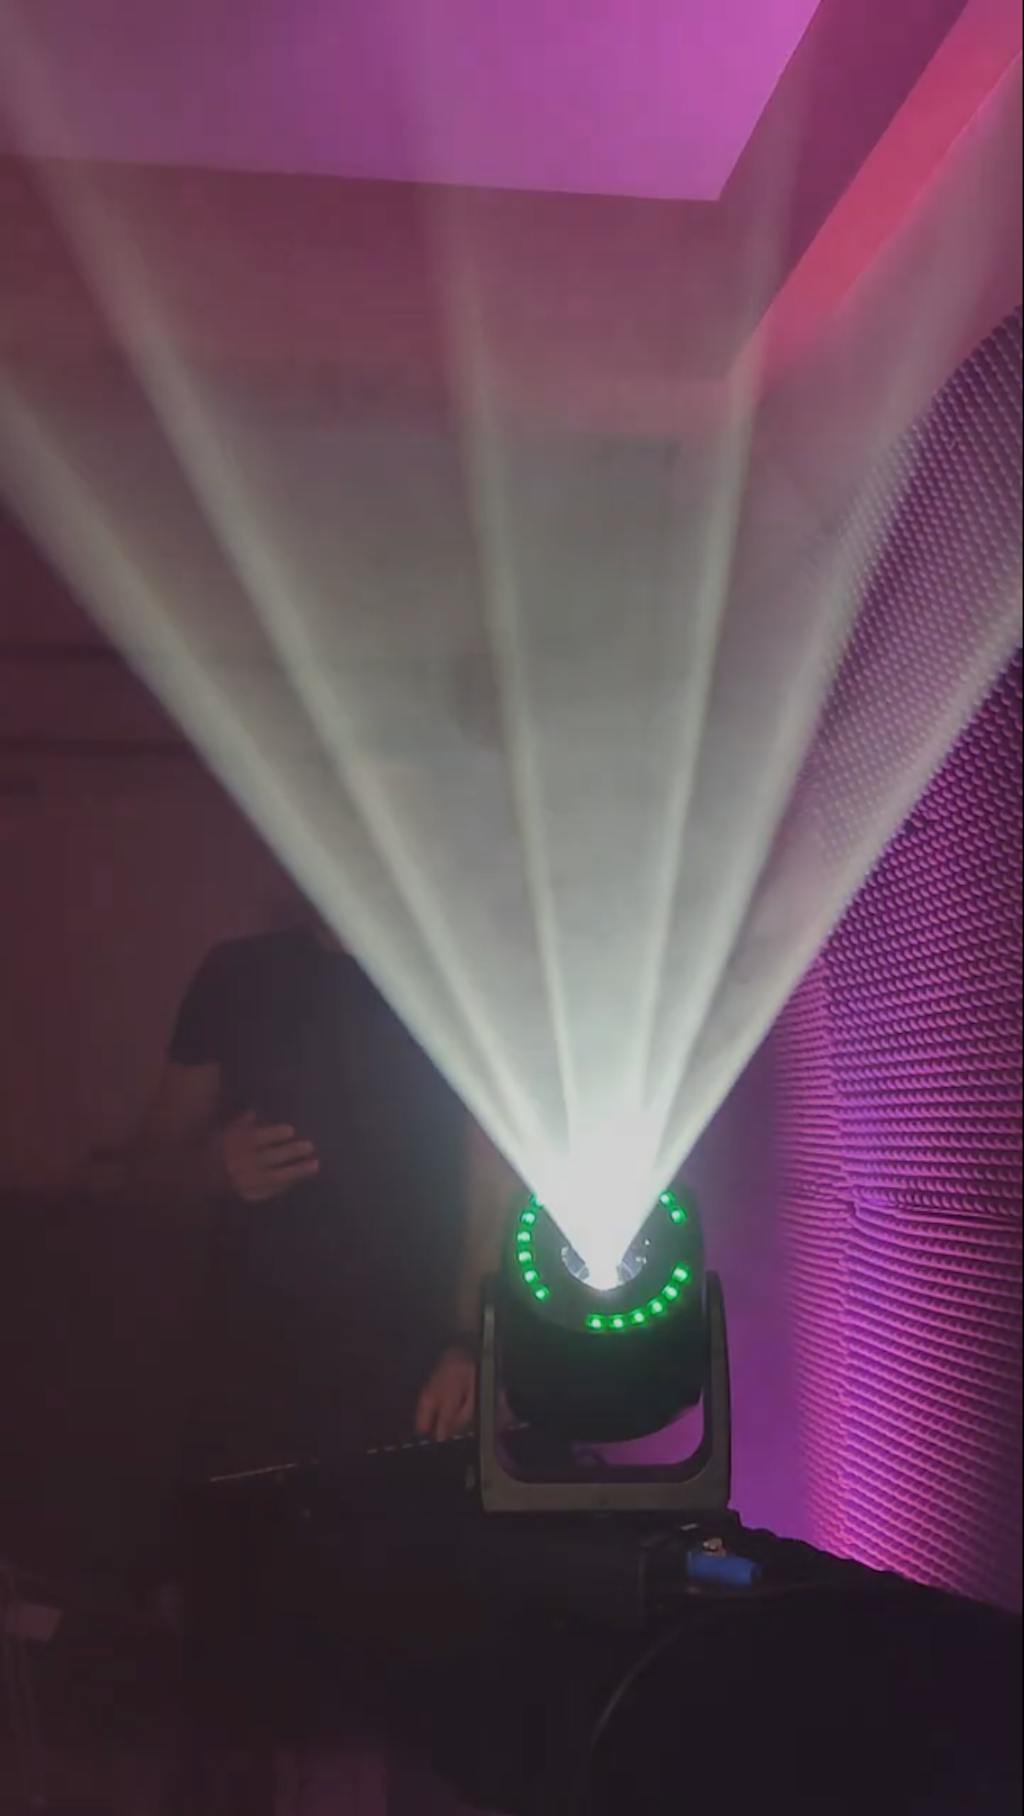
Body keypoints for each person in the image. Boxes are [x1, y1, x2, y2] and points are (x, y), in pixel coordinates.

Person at [122, 905, 515, 1477]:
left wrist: (471, 1344)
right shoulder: (237, 975)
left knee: (414, 1523)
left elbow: (493, 1189)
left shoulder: (462, 984)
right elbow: (147, 1166)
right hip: (255, 1368)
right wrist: (215, 1165)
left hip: (417, 1365)